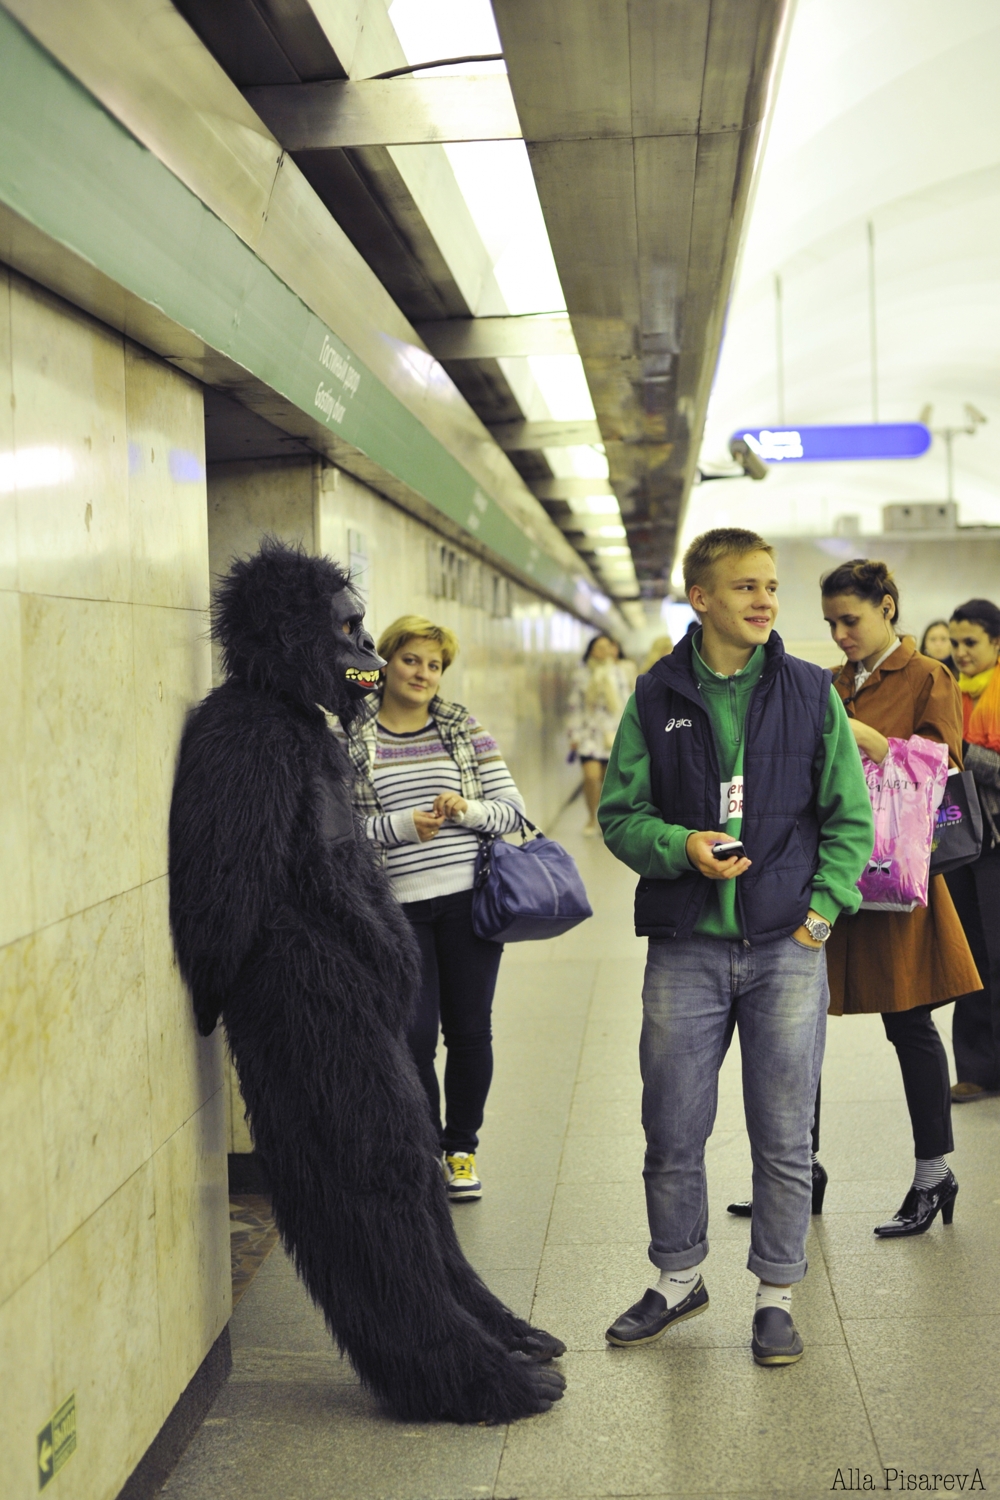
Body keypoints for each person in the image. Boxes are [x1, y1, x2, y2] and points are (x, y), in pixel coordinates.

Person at [599, 528, 873, 1368]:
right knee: (672, 1124)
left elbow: (848, 818)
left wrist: (821, 914)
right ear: (702, 598)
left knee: (784, 1132)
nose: (765, 601)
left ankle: (776, 1296)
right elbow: (619, 814)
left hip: (787, 945)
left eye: (771, 587)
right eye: (746, 587)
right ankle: (678, 1278)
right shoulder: (655, 696)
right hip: (686, 945)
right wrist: (679, 845)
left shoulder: (806, 690)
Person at [336, 615, 526, 1204]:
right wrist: (398, 827)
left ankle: (460, 1148)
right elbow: (336, 829)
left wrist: (466, 809)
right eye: (411, 660)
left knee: (470, 1031)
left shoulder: (461, 727)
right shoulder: (351, 735)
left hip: (469, 905)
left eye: (434, 665)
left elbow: (512, 812)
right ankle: (423, 1148)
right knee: (414, 1038)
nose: (422, 674)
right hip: (397, 912)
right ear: (385, 663)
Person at [820, 561, 981, 1235]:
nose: (839, 635)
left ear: (887, 607)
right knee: (798, 1024)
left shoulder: (926, 677)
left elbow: (943, 768)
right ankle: (798, 1167)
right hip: (834, 873)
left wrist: (869, 740)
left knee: (909, 1022)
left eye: (850, 620)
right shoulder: (829, 683)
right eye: (830, 623)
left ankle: (933, 1171)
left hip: (897, 878)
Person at [946, 598, 1000, 1101]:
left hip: (997, 844)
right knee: (971, 959)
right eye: (955, 643)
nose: (960, 653)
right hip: (960, 843)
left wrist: (962, 748)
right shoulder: (946, 693)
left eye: (971, 643)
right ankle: (977, 1070)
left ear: (996, 643)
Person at [567, 633, 630, 835]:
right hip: (588, 734)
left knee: (606, 781)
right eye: (600, 647)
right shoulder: (582, 674)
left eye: (607, 647)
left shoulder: (618, 673)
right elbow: (575, 706)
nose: (605, 651)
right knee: (591, 776)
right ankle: (590, 817)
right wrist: (573, 735)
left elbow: (627, 702)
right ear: (592, 650)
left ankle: (605, 818)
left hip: (612, 734)